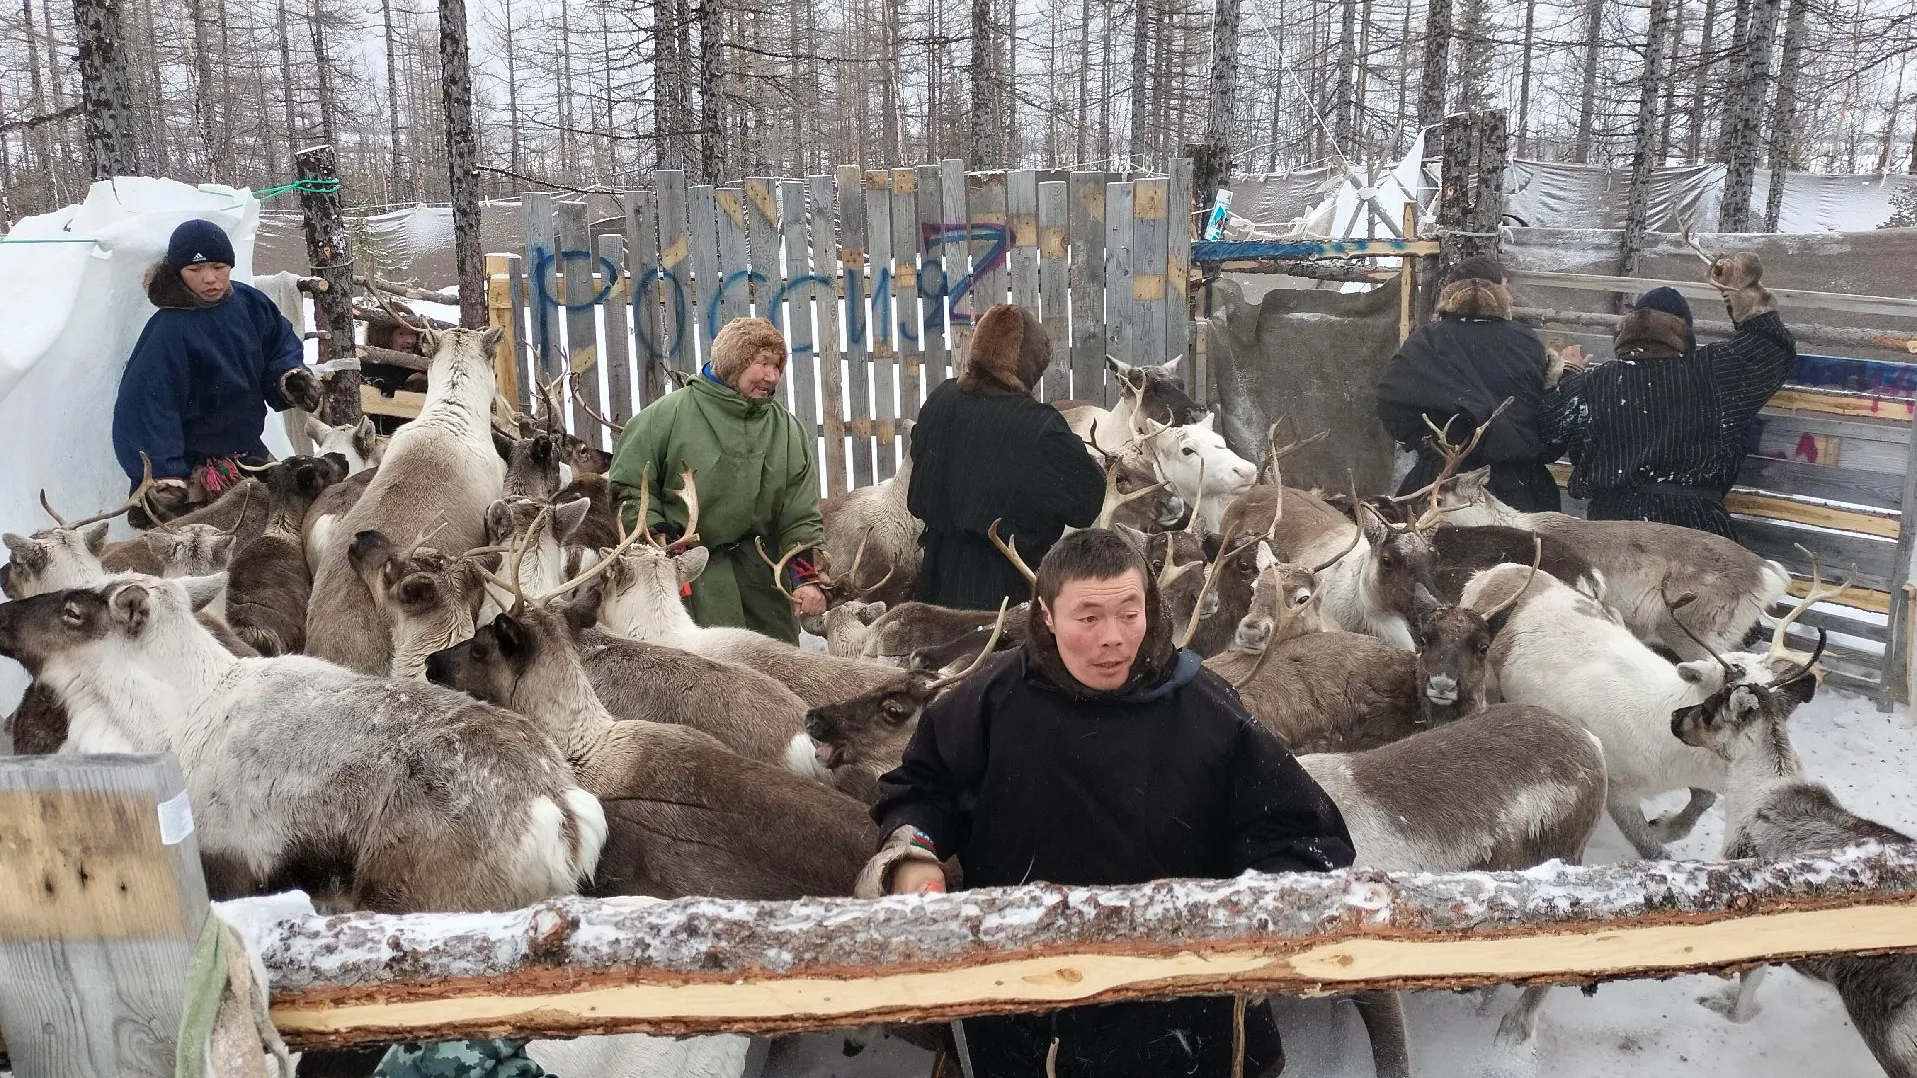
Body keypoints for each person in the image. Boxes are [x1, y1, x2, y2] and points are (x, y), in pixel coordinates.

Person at [857, 529, 1355, 1078]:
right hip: (1023, 1001)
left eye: (1128, 613)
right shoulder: (992, 699)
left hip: (1179, 1010)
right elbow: (921, 790)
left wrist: (1255, 905)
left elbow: (1304, 835)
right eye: (1088, 618)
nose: (1113, 638)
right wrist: (913, 856)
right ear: (1047, 615)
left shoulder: (1207, 709)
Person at [607, 316, 826, 644]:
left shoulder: (787, 432)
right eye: (762, 363)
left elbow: (800, 517)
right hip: (689, 578)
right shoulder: (665, 418)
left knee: (778, 676)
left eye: (778, 366)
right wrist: (660, 541)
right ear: (733, 363)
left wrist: (805, 579)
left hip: (762, 579)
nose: (772, 376)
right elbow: (628, 492)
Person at [1547, 251, 1794, 539]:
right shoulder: (1711, 372)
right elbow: (1770, 344)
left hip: (1612, 534)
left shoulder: (1592, 384)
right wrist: (1741, 293)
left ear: (1628, 328)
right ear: (1683, 331)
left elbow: (1548, 431)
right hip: (1695, 531)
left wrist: (1568, 372)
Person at [111, 218, 323, 523]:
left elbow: (278, 344)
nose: (210, 279)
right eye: (195, 270)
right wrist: (164, 475)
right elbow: (147, 406)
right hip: (192, 472)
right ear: (177, 272)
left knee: (292, 523)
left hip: (246, 454)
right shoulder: (167, 330)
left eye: (219, 267)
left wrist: (288, 377)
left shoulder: (249, 304)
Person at [908, 303, 1104, 611]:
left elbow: (920, 456)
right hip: (1007, 593)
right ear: (1030, 365)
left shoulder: (940, 399)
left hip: (933, 582)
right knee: (999, 660)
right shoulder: (1039, 427)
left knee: (940, 659)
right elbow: (1087, 502)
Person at [1375, 256, 1562, 512]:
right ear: (1491, 290)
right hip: (1515, 487)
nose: (1512, 298)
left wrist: (1426, 443)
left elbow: (1390, 399)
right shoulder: (1524, 341)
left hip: (1441, 481)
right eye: (1506, 288)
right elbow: (1543, 410)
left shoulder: (1427, 340)